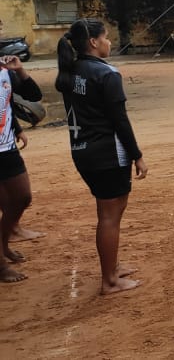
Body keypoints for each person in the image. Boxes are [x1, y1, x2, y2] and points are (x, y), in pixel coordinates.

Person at [55, 19, 148, 295]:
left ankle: (112, 266)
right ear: (93, 42)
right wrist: (137, 156)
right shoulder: (106, 73)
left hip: (83, 150)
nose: (109, 42)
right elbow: (120, 120)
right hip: (107, 152)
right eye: (106, 37)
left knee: (107, 211)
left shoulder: (72, 71)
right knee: (111, 214)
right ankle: (109, 280)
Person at [0, 54, 42, 283]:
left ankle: (4, 243)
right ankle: (0, 266)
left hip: (6, 147)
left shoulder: (4, 71)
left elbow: (34, 96)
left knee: (21, 198)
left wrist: (20, 71)